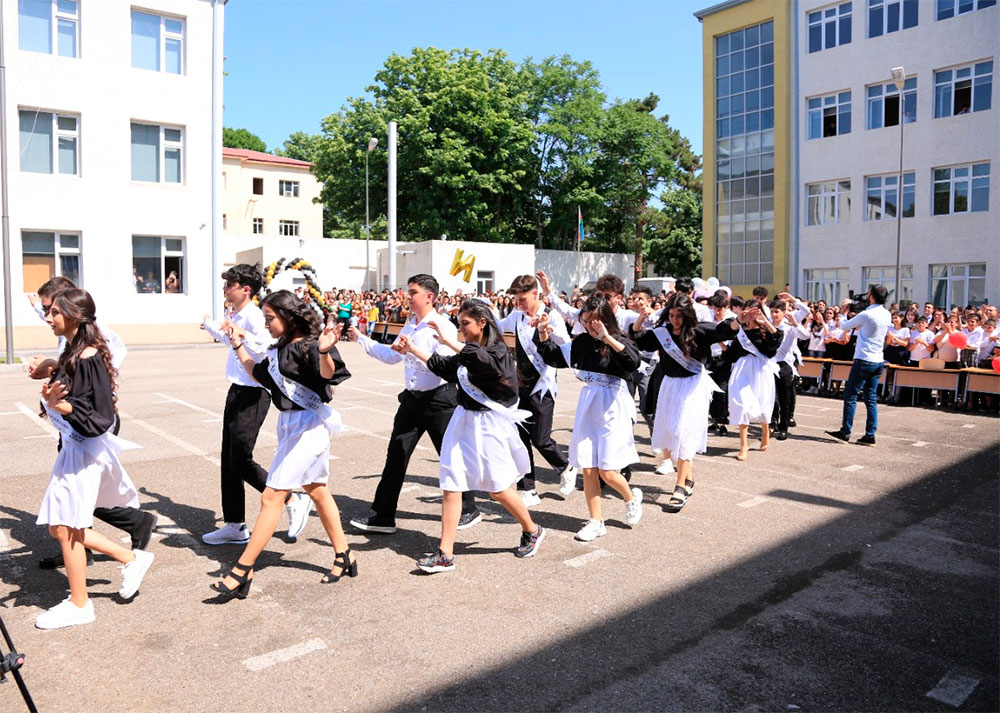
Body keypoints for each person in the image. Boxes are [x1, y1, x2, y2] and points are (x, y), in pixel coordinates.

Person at [214, 290, 355, 600]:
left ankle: (242, 569)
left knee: (272, 497)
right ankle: (344, 554)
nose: (266, 325)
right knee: (317, 490)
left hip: (309, 428)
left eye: (270, 318)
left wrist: (325, 352)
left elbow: (327, 375)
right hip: (289, 426)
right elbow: (257, 372)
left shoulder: (309, 347)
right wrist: (238, 344)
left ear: (288, 318)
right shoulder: (278, 350)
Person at [395, 300, 544, 572]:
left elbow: (480, 359)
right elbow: (444, 367)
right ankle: (445, 554)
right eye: (460, 323)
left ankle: (532, 529)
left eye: (465, 324)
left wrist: (450, 343)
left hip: (489, 425)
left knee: (497, 488)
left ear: (482, 323)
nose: (460, 329)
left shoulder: (496, 351)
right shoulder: (467, 351)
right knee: (451, 483)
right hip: (463, 420)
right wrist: (413, 349)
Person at [34, 288, 154, 629]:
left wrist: (61, 406)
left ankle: (80, 603)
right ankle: (130, 558)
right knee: (61, 526)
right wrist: (51, 396)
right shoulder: (74, 352)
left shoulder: (89, 357)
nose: (48, 318)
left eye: (54, 312)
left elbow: (99, 419)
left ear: (72, 316)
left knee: (68, 527)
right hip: (75, 451)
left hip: (85, 453)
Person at [349, 275, 482, 534]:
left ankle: (469, 508)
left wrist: (410, 350)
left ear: (429, 296)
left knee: (450, 457)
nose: (407, 296)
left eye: (413, 292)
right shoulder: (410, 325)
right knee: (396, 455)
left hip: (439, 401)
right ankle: (383, 516)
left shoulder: (441, 326)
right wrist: (362, 339)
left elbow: (445, 368)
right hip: (412, 401)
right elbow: (391, 356)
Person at [200, 266, 313, 546]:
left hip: (254, 392)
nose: (226, 289)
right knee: (229, 459)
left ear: (245, 289)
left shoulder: (252, 315)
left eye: (230, 285)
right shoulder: (237, 315)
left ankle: (291, 497)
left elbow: (267, 346)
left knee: (240, 458)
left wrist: (241, 332)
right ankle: (235, 524)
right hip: (237, 390)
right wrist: (211, 325)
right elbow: (231, 337)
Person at [535, 295, 644, 540]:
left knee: (608, 471)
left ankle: (631, 497)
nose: (589, 326)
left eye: (594, 321)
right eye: (585, 321)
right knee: (588, 468)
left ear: (605, 319)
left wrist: (607, 337)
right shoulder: (582, 341)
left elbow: (633, 362)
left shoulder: (619, 340)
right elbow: (553, 356)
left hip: (613, 405)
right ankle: (596, 521)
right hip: (589, 403)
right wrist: (543, 334)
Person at [630, 293, 739, 512]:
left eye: (679, 316)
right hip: (670, 386)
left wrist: (739, 321)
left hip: (692, 386)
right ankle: (688, 480)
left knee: (683, 433)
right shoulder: (663, 333)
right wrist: (641, 318)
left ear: (687, 315)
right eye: (671, 315)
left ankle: (679, 487)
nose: (675, 320)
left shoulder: (698, 331)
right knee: (671, 432)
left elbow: (722, 330)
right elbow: (639, 340)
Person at [497, 275, 576, 502]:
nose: (518, 303)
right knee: (520, 439)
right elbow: (498, 327)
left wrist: (548, 330)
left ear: (535, 294)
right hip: (520, 385)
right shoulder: (517, 317)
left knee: (541, 439)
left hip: (542, 385)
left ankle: (565, 466)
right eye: (516, 300)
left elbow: (565, 346)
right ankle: (528, 489)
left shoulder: (551, 316)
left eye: (522, 299)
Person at [826, 285, 892, 445]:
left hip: (864, 359)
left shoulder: (867, 314)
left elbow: (843, 325)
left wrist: (843, 312)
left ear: (872, 297)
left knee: (850, 396)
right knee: (870, 398)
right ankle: (870, 434)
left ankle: (845, 432)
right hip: (878, 360)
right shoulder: (886, 313)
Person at [727, 302, 781, 461]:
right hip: (742, 370)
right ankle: (744, 445)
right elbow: (731, 353)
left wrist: (766, 323)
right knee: (742, 405)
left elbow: (773, 348)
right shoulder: (740, 332)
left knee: (763, 405)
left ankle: (766, 432)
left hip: (761, 370)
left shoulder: (766, 330)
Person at [769, 300, 809, 441]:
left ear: (784, 313)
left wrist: (796, 324)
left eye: (777, 312)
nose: (774, 315)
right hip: (769, 364)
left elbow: (805, 336)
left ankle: (783, 427)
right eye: (772, 311)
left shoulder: (789, 327)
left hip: (784, 364)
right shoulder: (768, 325)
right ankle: (771, 422)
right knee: (770, 397)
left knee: (785, 397)